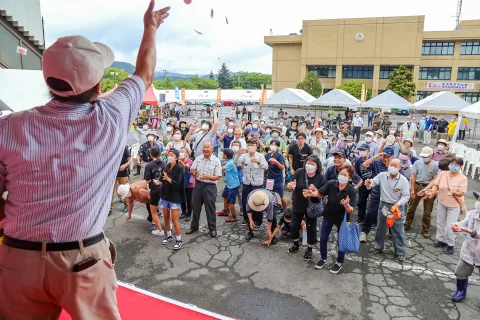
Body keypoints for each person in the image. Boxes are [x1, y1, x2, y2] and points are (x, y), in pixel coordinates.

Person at [0, 3, 170, 318]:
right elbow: (144, 73)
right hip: (82, 259)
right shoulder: (112, 115)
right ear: (98, 85)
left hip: (16, 257)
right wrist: (150, 27)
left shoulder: (8, 126)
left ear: (48, 80)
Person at [312, 165, 356, 274]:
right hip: (328, 215)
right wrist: (312, 192)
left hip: (342, 219)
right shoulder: (332, 183)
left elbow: (351, 210)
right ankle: (323, 258)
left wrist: (347, 205)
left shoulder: (351, 190)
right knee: (323, 238)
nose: (341, 176)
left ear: (350, 178)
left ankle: (339, 262)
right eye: (341, 173)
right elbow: (320, 193)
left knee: (342, 241)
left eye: (345, 175)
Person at [365, 159, 410, 262]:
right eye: (391, 165)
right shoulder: (382, 175)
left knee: (398, 230)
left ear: (399, 168)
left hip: (397, 206)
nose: (393, 167)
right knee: (380, 227)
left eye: (395, 165)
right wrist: (368, 183)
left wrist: (397, 204)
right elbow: (371, 184)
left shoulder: (403, 180)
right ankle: (378, 246)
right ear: (388, 166)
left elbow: (406, 196)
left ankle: (400, 252)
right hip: (384, 205)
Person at [287, 155, 326, 261]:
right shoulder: (299, 172)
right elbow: (290, 185)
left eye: (312, 163)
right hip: (298, 203)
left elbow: (323, 194)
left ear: (317, 166)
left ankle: (309, 249)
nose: (309, 165)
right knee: (294, 226)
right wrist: (290, 186)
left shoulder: (320, 177)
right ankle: (296, 244)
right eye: (308, 162)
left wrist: (315, 191)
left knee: (311, 228)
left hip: (312, 206)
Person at [424, 157, 467, 255]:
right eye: (452, 164)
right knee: (440, 223)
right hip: (441, 202)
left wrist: (455, 192)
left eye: (456, 165)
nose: (453, 166)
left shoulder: (462, 178)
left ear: (460, 166)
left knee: (450, 226)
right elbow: (436, 184)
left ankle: (450, 244)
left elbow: (461, 193)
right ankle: (441, 240)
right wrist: (433, 190)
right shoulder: (443, 173)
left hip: (453, 205)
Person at [360, 147, 396, 243]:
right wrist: (375, 157)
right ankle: (364, 232)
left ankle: (392, 232)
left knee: (391, 214)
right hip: (376, 193)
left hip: (390, 196)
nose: (385, 159)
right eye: (384, 156)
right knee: (370, 213)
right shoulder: (377, 163)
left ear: (392, 157)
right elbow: (363, 166)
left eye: (388, 157)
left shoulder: (395, 165)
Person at [186, 141, 222, 238]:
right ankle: (194, 226)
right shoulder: (198, 159)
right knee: (195, 207)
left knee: (210, 208)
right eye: (204, 147)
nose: (205, 149)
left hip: (210, 187)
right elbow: (193, 172)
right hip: (198, 185)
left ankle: (212, 228)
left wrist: (207, 177)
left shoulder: (216, 161)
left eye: (208, 147)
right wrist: (193, 172)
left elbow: (218, 176)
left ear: (212, 149)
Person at [449, 191, 480, 303]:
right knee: (460, 272)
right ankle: (461, 291)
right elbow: (464, 223)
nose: (478, 202)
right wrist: (457, 225)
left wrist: (467, 230)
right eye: (478, 199)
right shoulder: (472, 213)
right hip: (469, 249)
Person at [404, 147, 439, 238]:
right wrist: (412, 189)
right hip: (417, 185)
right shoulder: (417, 163)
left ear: (431, 156)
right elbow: (413, 176)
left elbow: (435, 179)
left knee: (427, 210)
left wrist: (429, 189)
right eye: (423, 156)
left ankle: (425, 228)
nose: (424, 158)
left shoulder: (435, 165)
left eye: (426, 156)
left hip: (429, 187)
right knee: (411, 206)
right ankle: (407, 223)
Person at [235, 139, 268, 226]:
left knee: (258, 201)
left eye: (252, 145)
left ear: (256, 146)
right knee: (245, 201)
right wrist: (238, 154)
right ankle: (246, 219)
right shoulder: (244, 156)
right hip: (246, 182)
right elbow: (236, 163)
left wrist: (258, 162)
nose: (250, 147)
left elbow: (266, 166)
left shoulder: (260, 156)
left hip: (257, 183)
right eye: (249, 145)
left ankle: (258, 220)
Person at [160, 148, 184, 249]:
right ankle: (169, 235)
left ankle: (179, 239)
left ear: (177, 157)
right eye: (168, 154)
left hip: (175, 197)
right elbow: (162, 180)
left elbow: (178, 184)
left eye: (172, 155)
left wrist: (168, 179)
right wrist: (159, 182)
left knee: (174, 219)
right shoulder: (166, 166)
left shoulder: (179, 168)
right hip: (165, 195)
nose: (169, 156)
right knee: (165, 216)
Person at [144, 146, 166, 236]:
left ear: (150, 154)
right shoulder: (164, 163)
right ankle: (168, 228)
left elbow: (147, 180)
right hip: (164, 188)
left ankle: (160, 230)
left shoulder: (149, 165)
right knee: (166, 210)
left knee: (153, 211)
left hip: (155, 190)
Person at [217, 148, 240, 222]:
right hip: (229, 184)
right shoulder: (229, 161)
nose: (222, 154)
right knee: (225, 196)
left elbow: (220, 169)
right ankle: (225, 211)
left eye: (223, 153)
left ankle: (234, 217)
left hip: (233, 185)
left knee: (231, 202)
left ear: (225, 155)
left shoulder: (230, 163)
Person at [110, 146, 132, 215]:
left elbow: (130, 159)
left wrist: (125, 165)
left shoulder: (124, 148)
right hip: (112, 173)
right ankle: (109, 208)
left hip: (123, 173)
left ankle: (126, 205)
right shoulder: (110, 147)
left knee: (125, 190)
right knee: (110, 192)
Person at [265, 140, 287, 210]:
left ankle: (285, 210)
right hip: (269, 178)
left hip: (278, 179)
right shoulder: (267, 155)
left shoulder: (279, 156)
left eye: (275, 145)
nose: (273, 146)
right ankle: (270, 210)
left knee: (279, 195)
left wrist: (276, 162)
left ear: (278, 147)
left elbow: (282, 167)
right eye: (271, 144)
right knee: (269, 194)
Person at [354, 144, 372, 223]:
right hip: (362, 184)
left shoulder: (373, 159)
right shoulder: (358, 160)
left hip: (372, 184)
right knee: (361, 202)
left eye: (363, 150)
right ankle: (361, 218)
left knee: (373, 202)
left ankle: (372, 220)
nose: (362, 152)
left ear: (368, 151)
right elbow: (356, 172)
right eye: (360, 150)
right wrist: (360, 181)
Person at [178, 147, 194, 221]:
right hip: (181, 182)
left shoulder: (189, 161)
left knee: (189, 198)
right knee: (181, 197)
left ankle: (189, 213)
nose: (181, 153)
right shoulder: (177, 161)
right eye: (180, 151)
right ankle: (183, 211)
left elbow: (187, 167)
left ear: (187, 154)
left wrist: (181, 163)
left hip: (189, 183)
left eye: (182, 151)